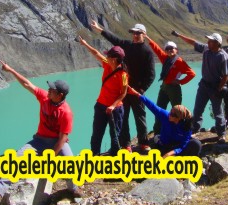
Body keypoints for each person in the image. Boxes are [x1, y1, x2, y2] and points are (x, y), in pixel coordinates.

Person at [0, 61, 81, 205]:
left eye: (52, 89)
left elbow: (63, 139)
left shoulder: (66, 113)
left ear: (60, 95)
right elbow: (27, 84)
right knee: (18, 158)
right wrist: (11, 70)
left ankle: (73, 189)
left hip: (57, 142)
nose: (48, 90)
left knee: (69, 162)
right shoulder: (45, 97)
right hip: (39, 141)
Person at [90, 20, 155, 152]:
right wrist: (100, 29)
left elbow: (151, 74)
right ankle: (126, 144)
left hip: (137, 92)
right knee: (123, 119)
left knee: (140, 117)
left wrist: (141, 90)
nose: (135, 35)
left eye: (138, 33)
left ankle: (143, 142)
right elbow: (114, 39)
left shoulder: (148, 52)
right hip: (123, 91)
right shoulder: (127, 45)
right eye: (134, 33)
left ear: (144, 35)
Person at [173, 30, 228, 142]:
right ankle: (194, 130)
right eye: (208, 40)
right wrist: (179, 35)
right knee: (198, 109)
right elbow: (193, 42)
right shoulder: (206, 49)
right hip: (204, 85)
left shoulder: (224, 57)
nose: (208, 42)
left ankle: (221, 133)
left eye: (211, 41)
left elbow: (226, 76)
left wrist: (219, 89)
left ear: (217, 43)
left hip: (215, 87)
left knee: (218, 112)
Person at [78, 36, 128, 156]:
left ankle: (114, 159)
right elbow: (96, 53)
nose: (106, 57)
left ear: (114, 59)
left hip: (114, 110)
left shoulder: (123, 75)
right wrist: (85, 43)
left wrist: (113, 106)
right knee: (96, 134)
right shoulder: (107, 64)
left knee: (114, 135)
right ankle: (94, 157)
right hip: (100, 105)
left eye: (109, 56)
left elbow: (123, 93)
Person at [145, 34, 196, 134]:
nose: (169, 50)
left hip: (174, 89)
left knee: (177, 112)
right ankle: (158, 132)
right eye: (167, 49)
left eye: (171, 48)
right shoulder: (165, 58)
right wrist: (148, 38)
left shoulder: (180, 61)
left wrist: (180, 81)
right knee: (159, 109)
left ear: (176, 49)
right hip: (164, 87)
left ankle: (180, 131)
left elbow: (192, 74)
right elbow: (157, 49)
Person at [128, 89, 201, 157]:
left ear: (179, 118)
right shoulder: (166, 116)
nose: (169, 115)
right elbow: (153, 106)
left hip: (175, 148)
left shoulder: (186, 127)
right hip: (164, 145)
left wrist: (171, 153)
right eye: (170, 112)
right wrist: (137, 94)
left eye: (172, 114)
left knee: (196, 144)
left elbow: (182, 146)